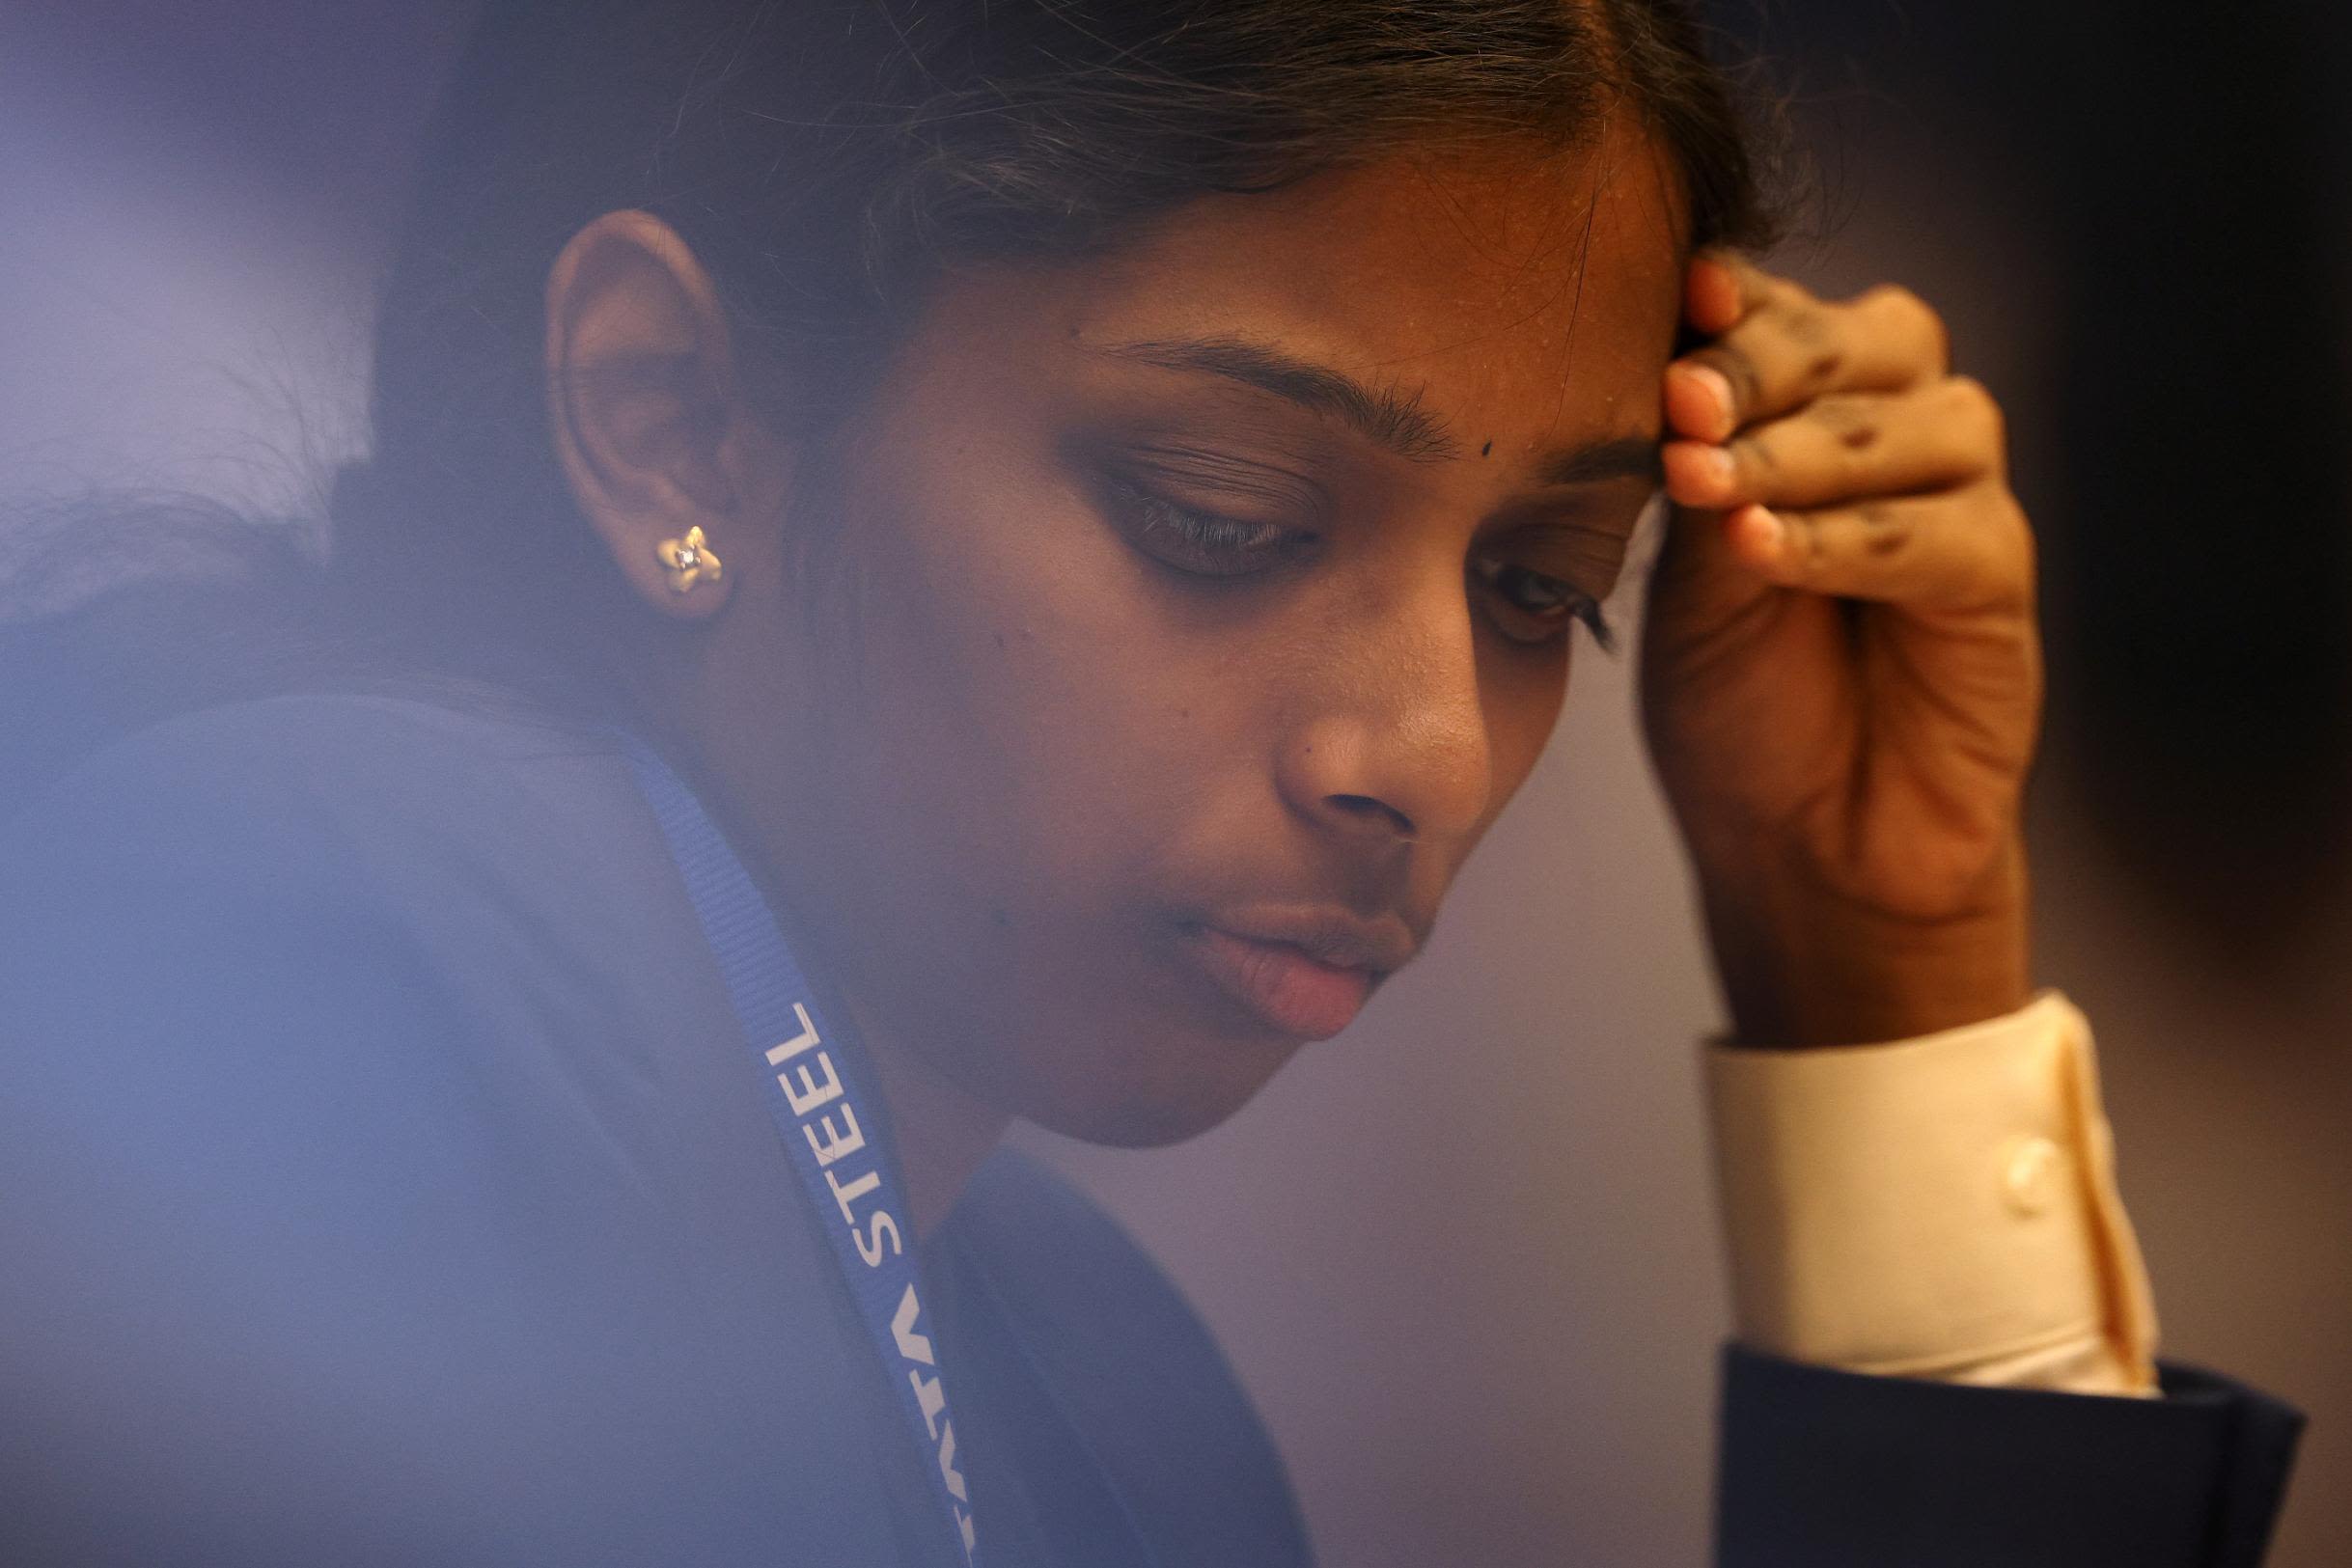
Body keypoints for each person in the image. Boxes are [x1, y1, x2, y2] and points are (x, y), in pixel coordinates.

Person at [0, 1, 2303, 1563]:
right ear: (671, 422)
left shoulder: (1092, 1371)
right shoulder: (330, 935)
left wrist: (1873, 962)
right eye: (1221, 514)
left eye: (1542, 588)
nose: (1414, 760)